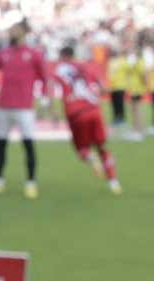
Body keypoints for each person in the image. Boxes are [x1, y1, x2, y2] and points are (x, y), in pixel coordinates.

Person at [0, 19, 48, 199]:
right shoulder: (4, 52)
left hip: (24, 107)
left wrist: (45, 101)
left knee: (28, 144)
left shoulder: (33, 54)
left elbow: (45, 77)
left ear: (23, 32)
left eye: (14, 30)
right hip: (4, 106)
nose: (11, 33)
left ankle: (31, 182)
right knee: (1, 144)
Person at [53, 46, 122, 194]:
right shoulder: (88, 66)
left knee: (81, 148)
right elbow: (104, 89)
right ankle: (113, 181)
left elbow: (51, 88)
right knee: (102, 147)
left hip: (75, 113)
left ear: (63, 56)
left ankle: (91, 158)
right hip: (94, 111)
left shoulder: (59, 69)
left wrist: (54, 110)